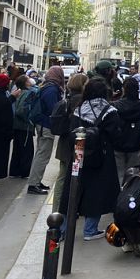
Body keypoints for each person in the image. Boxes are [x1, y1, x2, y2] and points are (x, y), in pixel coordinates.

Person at [70, 79, 123, 240]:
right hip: (102, 157)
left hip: (79, 155)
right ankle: (90, 230)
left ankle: (64, 229)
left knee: (73, 190)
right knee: (96, 192)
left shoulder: (78, 109)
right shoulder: (110, 111)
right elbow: (116, 135)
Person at [52, 73, 87, 210]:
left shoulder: (67, 99)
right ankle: (70, 209)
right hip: (77, 145)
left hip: (64, 143)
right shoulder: (82, 101)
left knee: (61, 178)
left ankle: (57, 208)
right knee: (75, 177)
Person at [27, 66, 65, 195]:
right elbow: (53, 109)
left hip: (42, 124)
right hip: (46, 125)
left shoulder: (46, 86)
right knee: (43, 155)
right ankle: (34, 184)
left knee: (41, 153)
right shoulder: (52, 89)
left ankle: (36, 181)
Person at [114, 77, 140, 184]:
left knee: (119, 173)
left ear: (124, 89)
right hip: (135, 143)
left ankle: (119, 197)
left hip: (118, 142)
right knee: (133, 175)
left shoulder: (116, 105)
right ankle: (129, 197)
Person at [8, 75, 35, 178]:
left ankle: (14, 171)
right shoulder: (29, 93)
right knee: (27, 150)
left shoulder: (18, 92)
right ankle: (24, 172)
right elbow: (21, 110)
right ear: (26, 83)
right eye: (28, 80)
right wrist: (29, 120)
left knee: (17, 149)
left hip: (16, 125)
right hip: (25, 126)